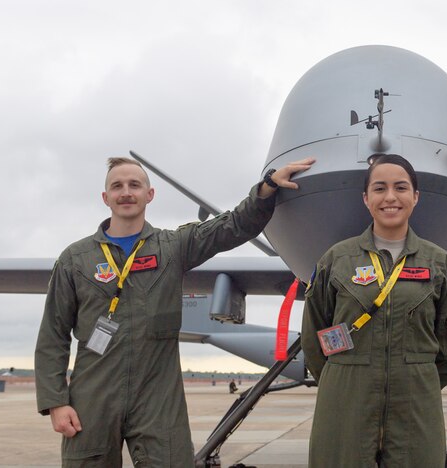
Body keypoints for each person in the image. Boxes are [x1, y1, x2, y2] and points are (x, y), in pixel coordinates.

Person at [35, 156, 313, 467]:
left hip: (158, 396)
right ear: (106, 197)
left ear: (149, 194)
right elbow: (53, 335)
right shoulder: (75, 259)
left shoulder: (173, 246)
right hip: (93, 396)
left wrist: (268, 187)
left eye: (134, 185)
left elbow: (234, 225)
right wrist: (56, 402)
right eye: (117, 186)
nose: (126, 192)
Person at [301, 154, 447, 467]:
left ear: (415, 197)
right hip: (345, 402)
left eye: (400, 188)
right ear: (366, 198)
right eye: (379, 188)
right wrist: (347, 378)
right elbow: (314, 338)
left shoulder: (439, 263)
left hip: (415, 405)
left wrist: (414, 376)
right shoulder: (336, 260)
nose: (390, 197)